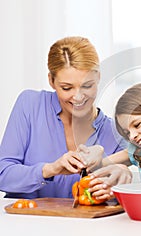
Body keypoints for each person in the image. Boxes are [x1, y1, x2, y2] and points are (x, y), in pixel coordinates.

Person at [0, 36, 129, 199]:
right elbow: (3, 174)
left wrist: (118, 185)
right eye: (67, 88)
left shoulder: (114, 134)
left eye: (87, 86)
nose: (78, 97)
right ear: (51, 81)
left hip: (84, 224)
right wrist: (50, 169)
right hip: (24, 221)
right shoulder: (30, 105)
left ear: (98, 77)